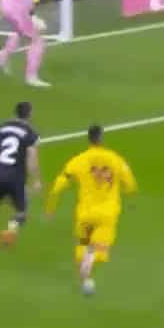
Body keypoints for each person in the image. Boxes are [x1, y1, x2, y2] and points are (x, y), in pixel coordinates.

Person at [44, 125, 136, 297]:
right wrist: (131, 198)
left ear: (89, 139)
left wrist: (50, 207)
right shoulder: (115, 159)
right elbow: (129, 182)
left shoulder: (78, 160)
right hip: (107, 214)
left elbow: (59, 184)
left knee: (82, 247)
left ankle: (86, 279)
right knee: (101, 248)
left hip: (85, 215)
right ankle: (92, 256)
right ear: (101, 138)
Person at [0, 101, 39, 254]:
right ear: (29, 115)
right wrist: (35, 180)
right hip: (15, 178)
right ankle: (11, 228)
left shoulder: (3, 126)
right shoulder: (30, 132)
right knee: (22, 211)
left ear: (15, 113)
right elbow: (32, 157)